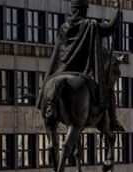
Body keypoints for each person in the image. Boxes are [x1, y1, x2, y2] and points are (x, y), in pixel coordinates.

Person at [41, 0, 124, 133]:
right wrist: (118, 11)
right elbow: (110, 28)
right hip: (83, 70)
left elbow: (60, 51)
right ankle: (112, 121)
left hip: (62, 69)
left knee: (48, 85)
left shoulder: (64, 26)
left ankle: (46, 103)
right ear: (83, 10)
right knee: (107, 91)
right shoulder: (89, 25)